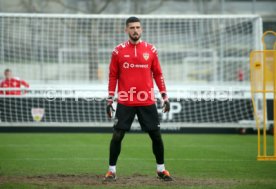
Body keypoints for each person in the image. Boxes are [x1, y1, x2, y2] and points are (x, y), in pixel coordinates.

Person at [105, 16, 172, 181]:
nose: (135, 30)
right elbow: (113, 76)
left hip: (147, 101)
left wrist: (165, 96)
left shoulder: (151, 50)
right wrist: (109, 100)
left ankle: (161, 170)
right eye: (132, 27)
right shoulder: (118, 51)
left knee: (156, 136)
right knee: (117, 136)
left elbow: (158, 74)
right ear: (126, 30)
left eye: (138, 27)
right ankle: (111, 171)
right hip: (125, 101)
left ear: (141, 29)